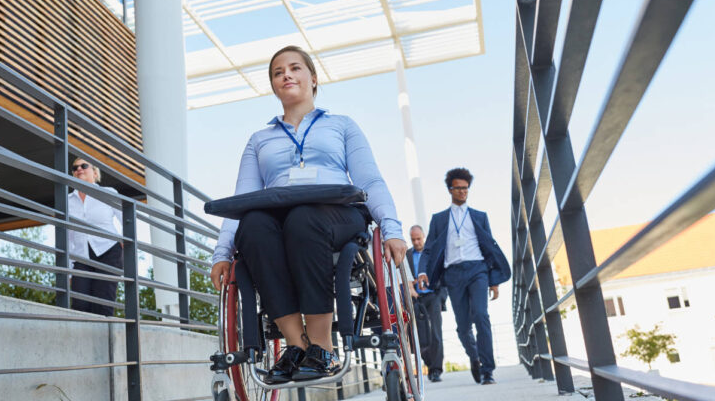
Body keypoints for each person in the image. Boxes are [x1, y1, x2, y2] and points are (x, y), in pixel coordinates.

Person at [209, 45, 407, 384]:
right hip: (277, 218)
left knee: (303, 218)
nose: (286, 74)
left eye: (295, 68)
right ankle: (296, 343)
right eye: (277, 72)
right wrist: (222, 253)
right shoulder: (260, 140)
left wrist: (391, 227)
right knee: (253, 226)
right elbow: (242, 199)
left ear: (312, 79)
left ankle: (322, 343)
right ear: (273, 86)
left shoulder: (342, 125)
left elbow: (369, 180)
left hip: (336, 213)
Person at [417, 168, 511, 385]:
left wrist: (494, 281)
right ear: (450, 190)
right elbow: (429, 249)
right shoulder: (439, 219)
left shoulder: (479, 216)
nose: (463, 192)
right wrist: (422, 271)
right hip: (453, 274)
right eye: (458, 188)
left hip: (478, 270)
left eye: (466, 188)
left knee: (481, 316)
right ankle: (475, 357)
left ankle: (488, 370)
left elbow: (489, 249)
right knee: (463, 326)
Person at [68, 158, 123, 316]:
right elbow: (67, 237)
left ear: (95, 172)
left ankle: (105, 340)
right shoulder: (68, 201)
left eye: (84, 166)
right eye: (75, 167)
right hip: (81, 257)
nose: (79, 169)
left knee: (103, 303)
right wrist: (69, 269)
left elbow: (127, 219)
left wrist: (126, 242)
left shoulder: (108, 193)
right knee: (80, 305)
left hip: (108, 252)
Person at [406, 225, 447, 382]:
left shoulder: (433, 253)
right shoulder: (407, 255)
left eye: (419, 238)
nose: (416, 242)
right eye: (413, 239)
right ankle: (430, 364)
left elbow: (444, 275)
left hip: (433, 296)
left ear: (424, 237)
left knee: (436, 333)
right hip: (416, 298)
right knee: (419, 335)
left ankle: (436, 370)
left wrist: (441, 298)